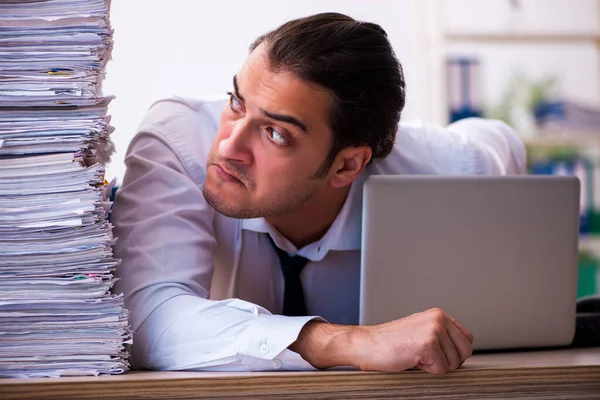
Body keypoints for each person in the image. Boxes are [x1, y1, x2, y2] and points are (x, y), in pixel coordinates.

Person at [112, 12, 526, 374]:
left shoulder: (444, 169)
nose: (228, 147)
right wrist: (351, 342)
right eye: (237, 101)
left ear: (347, 165)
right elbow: (145, 319)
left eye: (275, 133)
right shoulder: (179, 141)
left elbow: (497, 143)